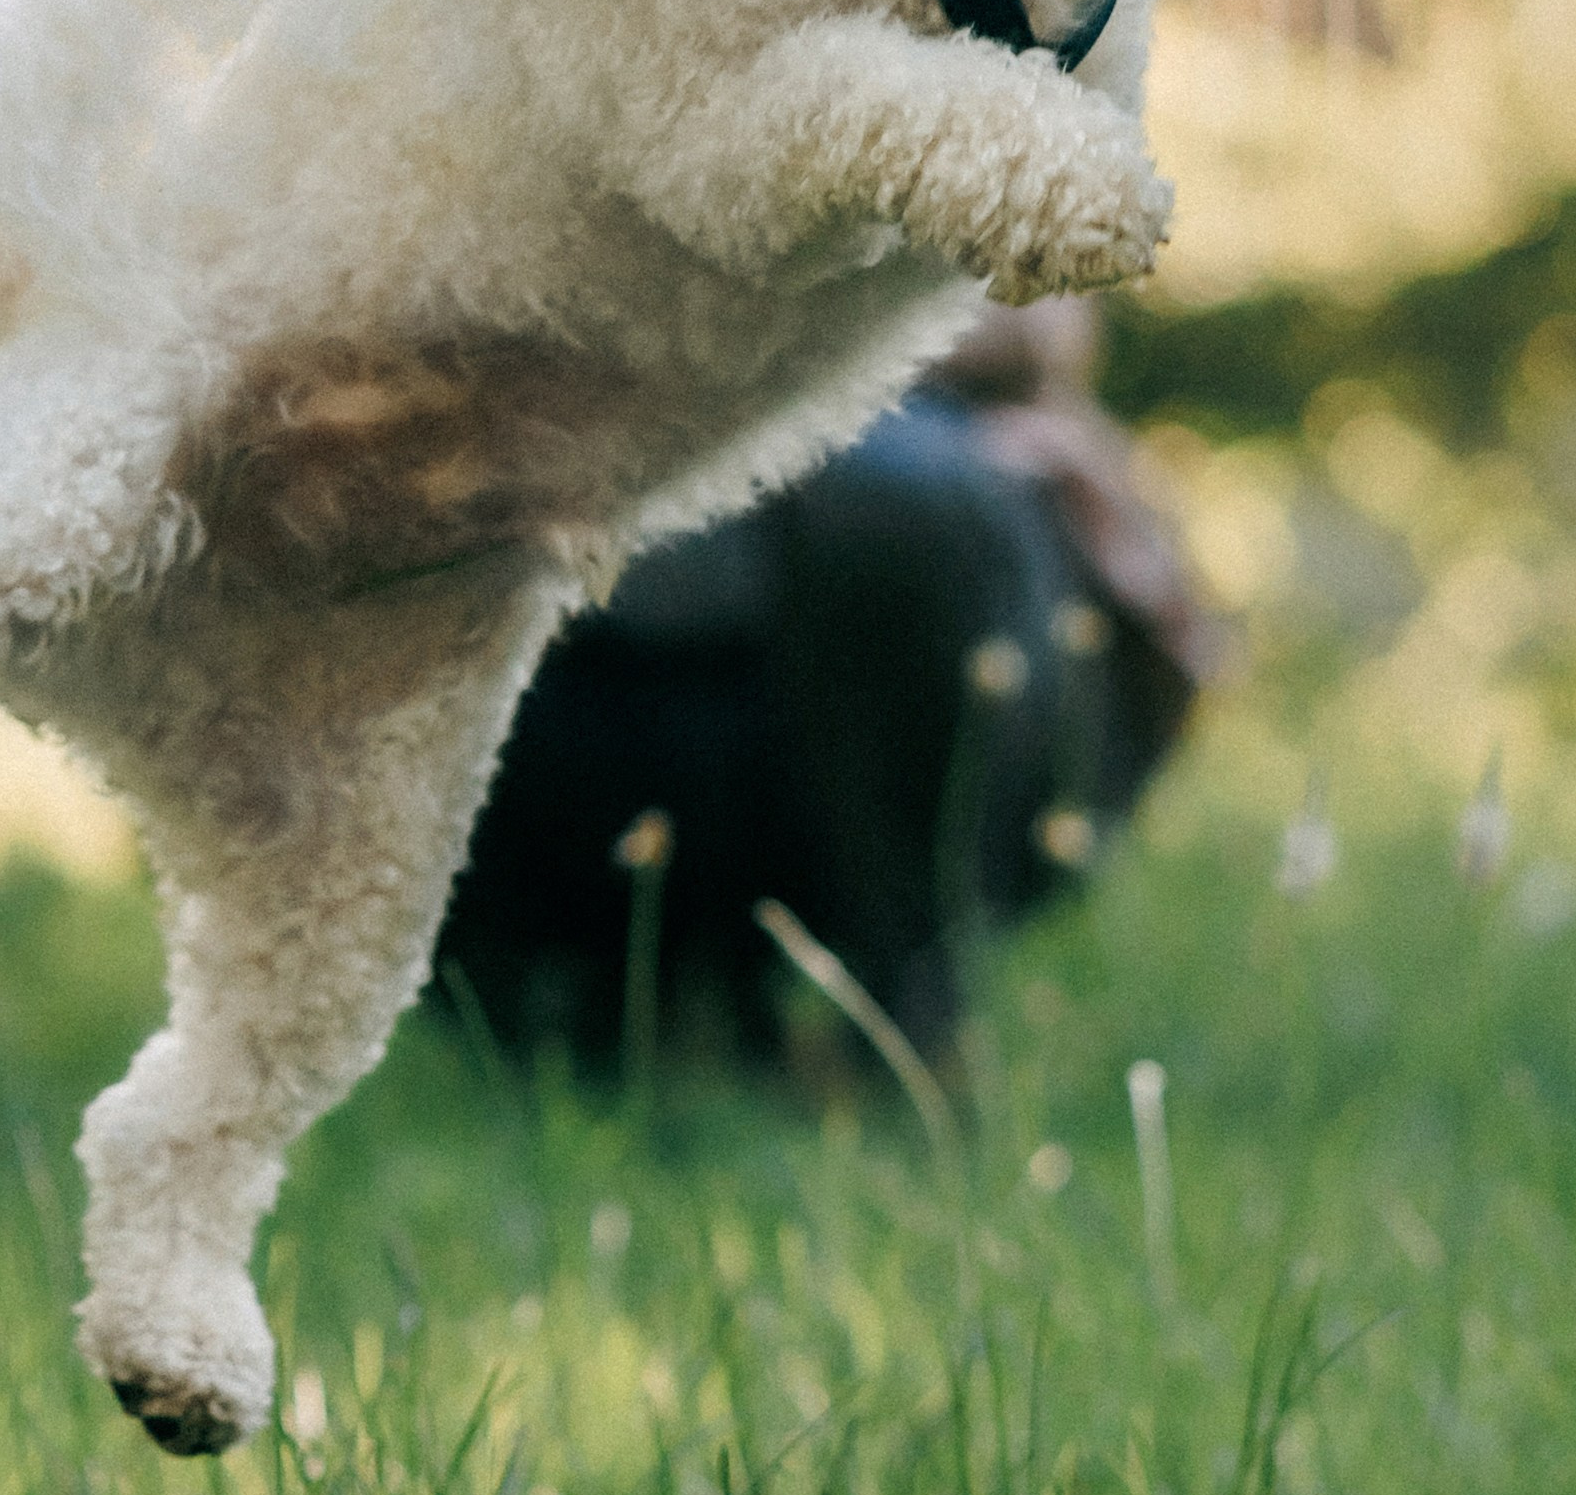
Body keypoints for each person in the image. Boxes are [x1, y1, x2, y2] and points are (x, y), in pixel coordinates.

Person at [437, 300, 1221, 1069]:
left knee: (897, 495)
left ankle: (900, 1014)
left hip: (880, 476)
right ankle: (582, 1009)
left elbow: (1037, 316)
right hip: (558, 494)